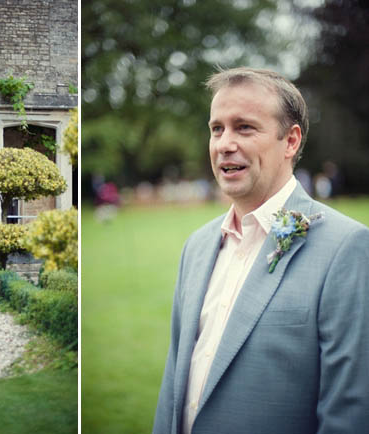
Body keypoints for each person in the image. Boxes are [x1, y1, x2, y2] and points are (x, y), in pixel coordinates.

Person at [153, 67, 369, 434]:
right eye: (216, 129)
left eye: (244, 127)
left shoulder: (346, 248)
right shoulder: (197, 246)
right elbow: (174, 380)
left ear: (290, 141)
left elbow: (349, 412)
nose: (224, 143)